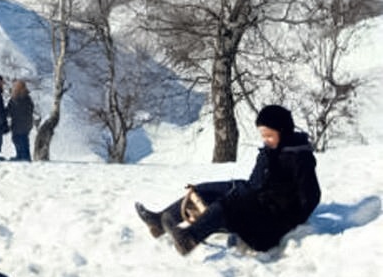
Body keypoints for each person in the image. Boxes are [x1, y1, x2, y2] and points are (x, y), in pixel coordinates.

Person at [135, 105, 321, 255]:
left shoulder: (298, 158)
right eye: (263, 136)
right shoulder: (273, 151)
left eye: (269, 136)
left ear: (284, 132)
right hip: (257, 196)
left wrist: (287, 222)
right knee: (204, 191)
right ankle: (159, 222)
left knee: (226, 205)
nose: (265, 140)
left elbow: (311, 196)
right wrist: (265, 158)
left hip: (270, 219)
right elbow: (257, 182)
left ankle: (189, 239)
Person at [6, 79, 35, 161]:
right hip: (17, 123)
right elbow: (9, 110)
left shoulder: (25, 98)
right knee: (16, 139)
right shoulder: (14, 99)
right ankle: (19, 155)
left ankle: (25, 156)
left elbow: (29, 109)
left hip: (23, 123)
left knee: (22, 140)